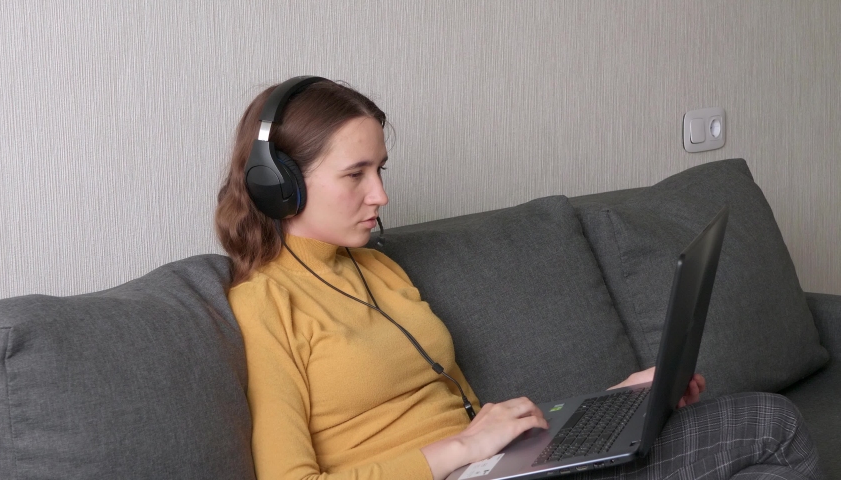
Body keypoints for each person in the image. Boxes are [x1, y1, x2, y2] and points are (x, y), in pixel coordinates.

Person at [215, 78, 823, 480]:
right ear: (281, 184)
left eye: (381, 168)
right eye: (356, 173)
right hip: (460, 469)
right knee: (770, 423)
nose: (381, 194)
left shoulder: (376, 267)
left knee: (746, 419)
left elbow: (468, 416)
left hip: (499, 466)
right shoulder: (265, 305)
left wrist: (617, 400)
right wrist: (462, 449)